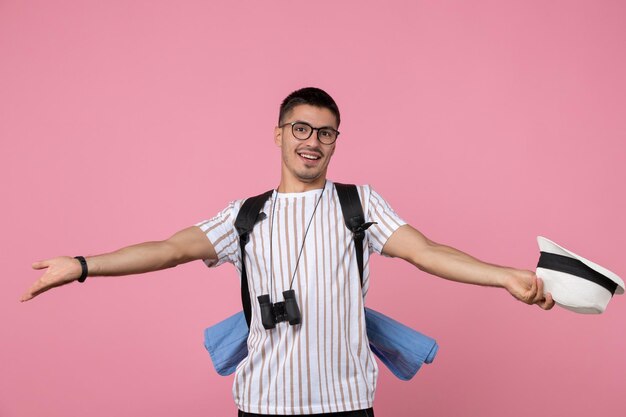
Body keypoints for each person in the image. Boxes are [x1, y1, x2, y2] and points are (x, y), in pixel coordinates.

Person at [21, 87, 554, 417]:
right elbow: (167, 249)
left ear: (335, 141)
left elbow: (427, 251)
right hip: (263, 405)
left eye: (326, 132)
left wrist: (505, 275)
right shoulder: (244, 215)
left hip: (346, 405)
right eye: (301, 128)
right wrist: (83, 265)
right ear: (278, 135)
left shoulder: (358, 203)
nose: (313, 141)